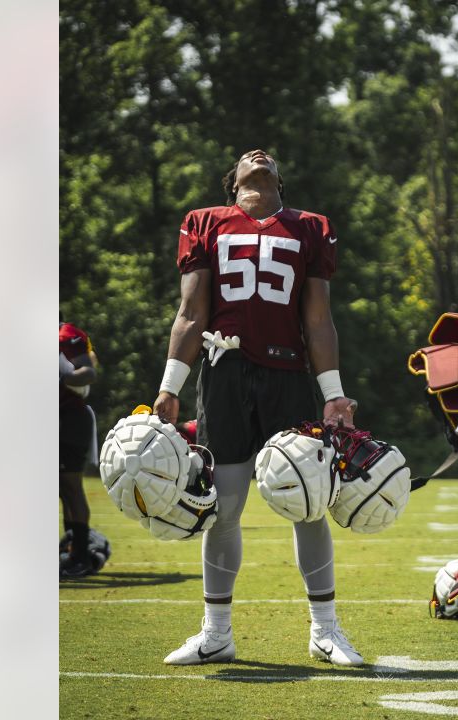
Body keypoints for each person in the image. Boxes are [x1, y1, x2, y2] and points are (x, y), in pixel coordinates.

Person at [152, 148, 363, 666]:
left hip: (288, 377)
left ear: (279, 181)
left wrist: (333, 392)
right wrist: (170, 384)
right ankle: (216, 633)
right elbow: (190, 311)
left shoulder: (310, 227)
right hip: (224, 376)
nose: (258, 154)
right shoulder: (205, 222)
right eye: (247, 159)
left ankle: (325, 631)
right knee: (223, 508)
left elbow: (318, 320)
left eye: (267, 158)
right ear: (235, 183)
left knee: (308, 503)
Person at [59, 319, 101, 579]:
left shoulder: (66, 335)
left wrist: (63, 376)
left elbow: (88, 372)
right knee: (63, 489)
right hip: (56, 418)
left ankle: (81, 555)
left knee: (71, 485)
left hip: (70, 419)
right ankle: (72, 547)